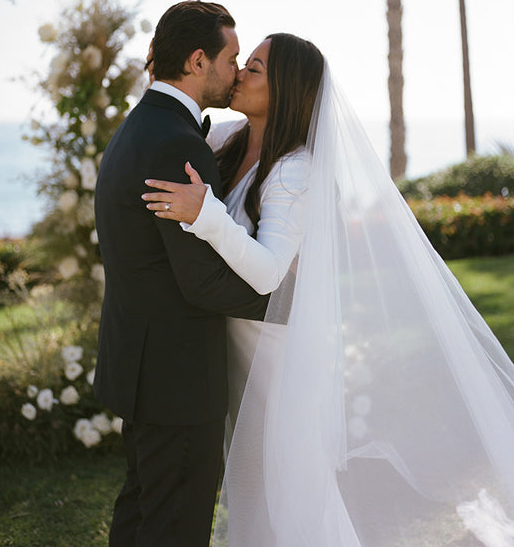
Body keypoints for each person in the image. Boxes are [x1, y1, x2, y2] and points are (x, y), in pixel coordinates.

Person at [142, 33, 514, 546]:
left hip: (277, 356)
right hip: (231, 340)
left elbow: (270, 272)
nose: (241, 73)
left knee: (293, 490)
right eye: (243, 62)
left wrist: (205, 214)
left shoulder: (296, 169)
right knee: (250, 487)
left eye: (255, 68)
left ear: (287, 89)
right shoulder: (224, 138)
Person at [93, 0, 269, 547]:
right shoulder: (176, 143)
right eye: (232, 58)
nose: (237, 72)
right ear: (198, 61)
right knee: (174, 528)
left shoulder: (142, 125)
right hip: (177, 379)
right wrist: (285, 300)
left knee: (144, 516)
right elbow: (201, 280)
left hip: (143, 366)